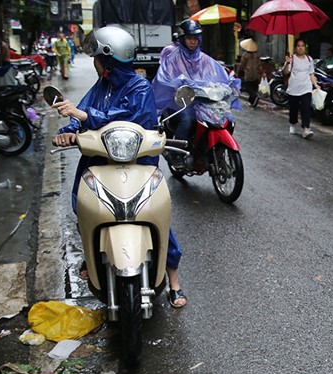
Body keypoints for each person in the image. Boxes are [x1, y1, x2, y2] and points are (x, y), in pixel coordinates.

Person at [51, 26, 187, 308]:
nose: (94, 62)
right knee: (84, 203)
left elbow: (129, 117)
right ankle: (92, 255)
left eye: (96, 57)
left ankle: (173, 277)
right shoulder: (100, 87)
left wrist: (82, 114)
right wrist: (69, 129)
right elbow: (82, 117)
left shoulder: (139, 87)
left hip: (138, 160)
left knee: (155, 211)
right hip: (102, 159)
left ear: (106, 59)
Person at [152, 19, 241, 144]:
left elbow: (217, 73)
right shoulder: (173, 57)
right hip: (180, 101)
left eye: (195, 38)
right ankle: (179, 154)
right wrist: (178, 83)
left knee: (226, 118)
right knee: (188, 121)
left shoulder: (204, 58)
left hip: (202, 100)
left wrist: (230, 81)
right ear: (183, 39)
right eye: (189, 38)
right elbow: (165, 79)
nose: (193, 41)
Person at [283, 38, 320, 138]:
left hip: (306, 88)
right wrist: (287, 63)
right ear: (295, 48)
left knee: (306, 108)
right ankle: (293, 123)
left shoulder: (309, 59)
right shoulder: (292, 59)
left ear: (305, 47)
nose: (300, 48)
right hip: (294, 88)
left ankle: (306, 129)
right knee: (294, 109)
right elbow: (286, 72)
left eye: (302, 46)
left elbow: (311, 73)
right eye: (298, 46)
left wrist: (315, 85)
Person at [236, 38, 262, 107]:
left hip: (248, 73)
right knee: (253, 86)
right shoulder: (257, 55)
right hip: (255, 73)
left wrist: (237, 72)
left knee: (248, 86)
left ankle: (254, 96)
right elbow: (259, 65)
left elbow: (242, 65)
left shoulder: (245, 55)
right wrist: (260, 72)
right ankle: (252, 101)